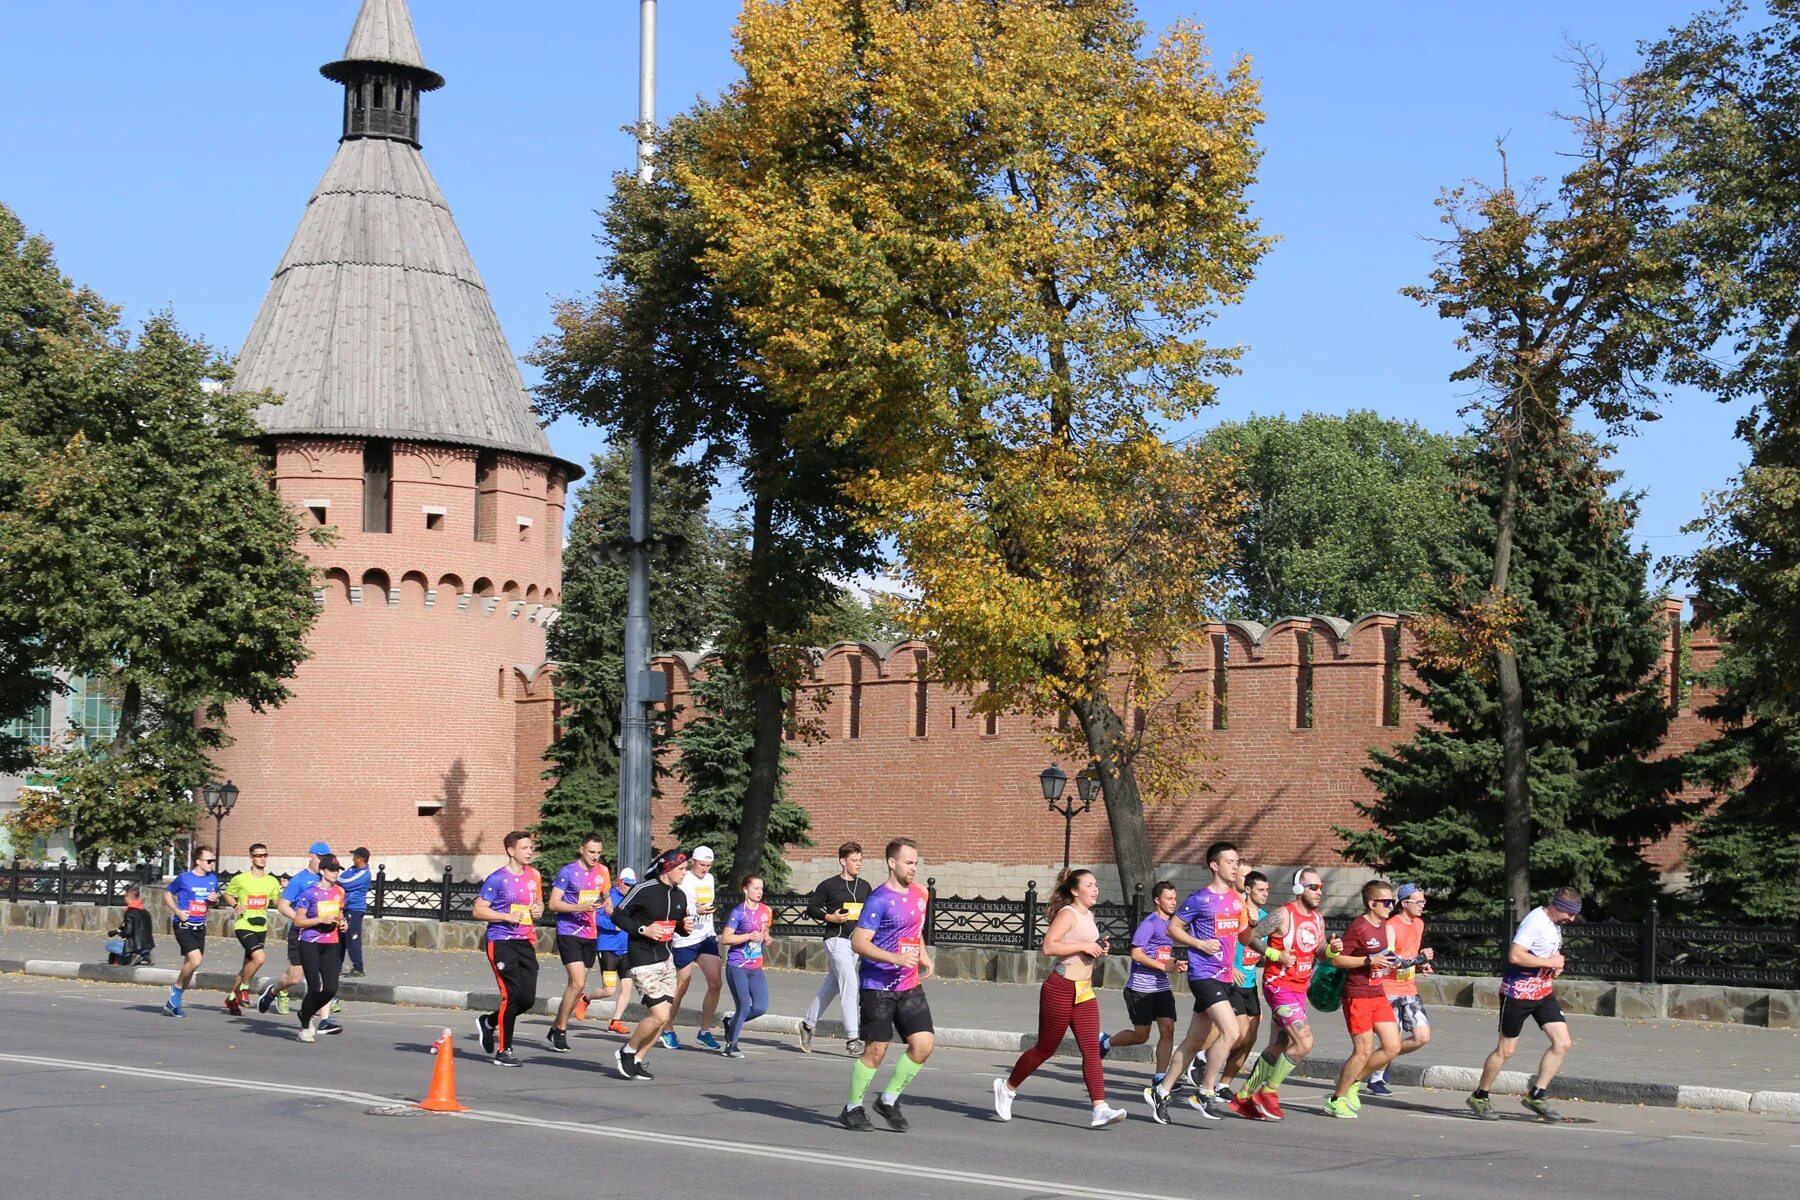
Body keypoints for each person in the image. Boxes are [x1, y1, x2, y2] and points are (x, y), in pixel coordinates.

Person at [993, 869, 1128, 1127]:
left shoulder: (1089, 915)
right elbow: (1049, 946)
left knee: (1090, 1050)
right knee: (1045, 1048)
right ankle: (1007, 1087)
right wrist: (1083, 946)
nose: (1096, 889)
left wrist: (1098, 947)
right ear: (1075, 891)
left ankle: (1100, 1108)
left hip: (1084, 992)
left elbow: (1082, 948)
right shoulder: (1068, 913)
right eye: (1090, 885)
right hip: (1060, 988)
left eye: (1096, 884)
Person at [1144, 841, 1245, 1125]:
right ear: (1215, 865)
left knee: (1194, 1041)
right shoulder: (1200, 899)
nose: (1235, 866)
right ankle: (1205, 1091)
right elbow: (1172, 928)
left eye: (1237, 861)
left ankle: (1161, 1091)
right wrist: (1199, 943)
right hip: (1203, 974)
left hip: (1225, 976)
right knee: (1231, 1031)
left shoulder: (1237, 900)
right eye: (1230, 861)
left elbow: (1243, 935)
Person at [1231, 866, 1342, 1121]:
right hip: (1279, 987)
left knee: (1278, 1046)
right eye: (1313, 887)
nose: (1318, 892)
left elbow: (1320, 951)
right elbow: (1247, 936)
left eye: (1320, 887)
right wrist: (1274, 954)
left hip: (1299, 989)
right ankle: (1268, 1092)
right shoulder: (1283, 915)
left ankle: (1244, 1096)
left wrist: (1333, 949)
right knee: (1304, 1042)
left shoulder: (1317, 919)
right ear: (1298, 888)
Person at [840, 837, 935, 1133]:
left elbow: (913, 928)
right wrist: (894, 957)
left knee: (924, 1045)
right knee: (876, 1050)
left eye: (916, 863)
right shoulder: (878, 899)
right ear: (892, 863)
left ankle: (888, 1100)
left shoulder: (921, 894)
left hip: (909, 984)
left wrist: (924, 954)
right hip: (877, 985)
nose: (914, 868)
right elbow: (858, 942)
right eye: (908, 862)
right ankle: (853, 1108)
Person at [1468, 886, 1582, 1121]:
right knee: (1506, 1050)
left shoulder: (1553, 923)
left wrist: (1555, 964)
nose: (1572, 919)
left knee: (1563, 1043)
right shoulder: (1535, 921)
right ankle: (1480, 1096)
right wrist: (1549, 961)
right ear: (1558, 907)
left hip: (1542, 993)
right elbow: (1515, 955)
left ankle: (1536, 1095)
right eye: (1570, 914)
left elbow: (1546, 953)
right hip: (1517, 993)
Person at [1323, 879, 1404, 1118]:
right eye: (1387, 902)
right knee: (1363, 1051)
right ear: (1372, 903)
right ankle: (1336, 1099)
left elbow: (1382, 958)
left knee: (1392, 1047)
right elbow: (1337, 960)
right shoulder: (1359, 927)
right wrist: (1368, 961)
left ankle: (1355, 1081)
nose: (1391, 906)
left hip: (1377, 993)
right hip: (1357, 995)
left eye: (1393, 901)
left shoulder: (1384, 926)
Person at [613, 849, 694, 1081]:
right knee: (659, 1015)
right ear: (667, 868)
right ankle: (626, 1051)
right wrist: (642, 929)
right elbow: (618, 916)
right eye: (681, 869)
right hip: (642, 960)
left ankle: (637, 1059)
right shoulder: (642, 889)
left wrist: (683, 927)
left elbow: (675, 926)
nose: (684, 873)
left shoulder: (680, 895)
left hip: (666, 960)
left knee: (665, 1017)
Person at [471, 830, 544, 1067]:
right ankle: (505, 1050)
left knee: (527, 999)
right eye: (524, 848)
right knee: (511, 995)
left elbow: (539, 902)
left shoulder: (534, 875)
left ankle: (489, 1022)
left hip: (525, 941)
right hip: (501, 941)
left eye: (530, 847)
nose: (529, 852)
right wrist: (505, 916)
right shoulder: (497, 878)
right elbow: (478, 910)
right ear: (511, 851)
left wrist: (538, 910)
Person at [1101, 881, 1180, 1087]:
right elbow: (1136, 953)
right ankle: (1106, 1042)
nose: (1173, 902)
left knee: (1168, 1028)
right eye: (1169, 898)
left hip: (1161, 987)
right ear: (1157, 900)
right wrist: (1163, 967)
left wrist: (1175, 964)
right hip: (1141, 988)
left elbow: (1161, 954)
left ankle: (1160, 1078)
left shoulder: (1171, 925)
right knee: (1141, 1035)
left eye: (1174, 898)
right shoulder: (1150, 923)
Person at [800, 841, 874, 1055]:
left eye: (860, 860)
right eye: (854, 860)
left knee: (832, 986)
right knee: (850, 984)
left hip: (855, 944)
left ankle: (807, 1024)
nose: (858, 864)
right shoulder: (829, 885)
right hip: (836, 940)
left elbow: (870, 913)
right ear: (843, 861)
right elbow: (812, 907)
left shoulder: (864, 886)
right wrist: (829, 916)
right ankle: (852, 1039)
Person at [546, 834, 612, 1053]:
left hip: (590, 934)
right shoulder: (568, 872)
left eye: (598, 852)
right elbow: (553, 904)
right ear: (581, 849)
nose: (595, 856)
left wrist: (618, 917)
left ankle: (556, 1026)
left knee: (577, 985)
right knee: (577, 983)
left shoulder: (602, 871)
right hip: (569, 932)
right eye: (591, 852)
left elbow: (606, 901)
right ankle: (561, 1031)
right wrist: (579, 908)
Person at [1368, 882, 1434, 1095]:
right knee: (1392, 1040)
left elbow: (1411, 953)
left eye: (1424, 901)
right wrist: (1420, 958)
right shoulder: (1391, 925)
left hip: (1409, 989)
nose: (1423, 905)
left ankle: (1384, 1057)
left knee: (1421, 1036)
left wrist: (1422, 963)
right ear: (1404, 903)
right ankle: (1375, 1078)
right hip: (1389, 989)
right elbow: (1392, 961)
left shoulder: (1419, 923)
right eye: (1419, 901)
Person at [1218, 869, 1271, 1096]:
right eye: (1260, 890)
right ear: (1248, 890)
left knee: (1250, 1039)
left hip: (1251, 983)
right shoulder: (1237, 913)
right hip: (1232, 981)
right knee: (1238, 1033)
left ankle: (1223, 1084)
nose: (1265, 894)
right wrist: (1230, 967)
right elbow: (1221, 940)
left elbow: (1270, 948)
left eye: (1267, 890)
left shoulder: (1268, 919)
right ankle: (1203, 1060)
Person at [260, 841, 328, 1017]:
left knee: (324, 972)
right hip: (300, 932)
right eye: (319, 858)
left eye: (325, 858)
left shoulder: (327, 879)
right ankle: (273, 991)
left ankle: (325, 1017)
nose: (322, 861)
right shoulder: (299, 879)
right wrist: (301, 919)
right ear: (311, 856)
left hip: (321, 934)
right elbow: (283, 906)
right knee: (295, 977)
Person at [670, 845, 724, 1050]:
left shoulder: (709, 879)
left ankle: (704, 1030)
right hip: (685, 937)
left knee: (716, 983)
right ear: (693, 862)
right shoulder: (685, 879)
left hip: (706, 935)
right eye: (702, 865)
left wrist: (705, 911)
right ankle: (667, 1028)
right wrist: (695, 910)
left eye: (709, 866)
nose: (705, 869)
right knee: (682, 984)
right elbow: (677, 906)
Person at [292, 854, 349, 1042]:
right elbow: (298, 921)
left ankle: (305, 1012)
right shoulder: (309, 893)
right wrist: (319, 920)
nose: (335, 874)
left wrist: (343, 923)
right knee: (314, 987)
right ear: (322, 871)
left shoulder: (339, 892)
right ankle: (305, 1026)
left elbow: (340, 914)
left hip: (332, 944)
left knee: (331, 989)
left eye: (337, 871)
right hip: (310, 943)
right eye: (331, 870)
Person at [222, 843, 282, 1014]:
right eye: (258, 855)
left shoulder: (271, 881)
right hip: (243, 925)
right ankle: (244, 989)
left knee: (248, 965)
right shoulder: (241, 879)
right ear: (251, 857)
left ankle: (231, 999)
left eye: (265, 855)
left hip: (260, 926)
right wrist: (235, 905)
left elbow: (276, 902)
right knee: (260, 958)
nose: (262, 858)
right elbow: (227, 893)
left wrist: (285, 892)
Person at [719, 872, 774, 1058]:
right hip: (737, 966)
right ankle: (731, 1046)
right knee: (743, 1006)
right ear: (745, 889)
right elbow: (726, 938)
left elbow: (764, 932)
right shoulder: (738, 912)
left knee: (760, 1007)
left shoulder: (766, 911)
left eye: (761, 888)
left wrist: (766, 938)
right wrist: (748, 936)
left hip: (755, 966)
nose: (760, 892)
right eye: (755, 888)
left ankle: (731, 1022)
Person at [161, 846, 218, 1016]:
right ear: (198, 861)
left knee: (190, 966)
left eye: (213, 861)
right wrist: (178, 912)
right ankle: (176, 989)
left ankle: (173, 1004)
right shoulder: (184, 878)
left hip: (200, 926)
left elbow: (213, 901)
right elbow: (167, 894)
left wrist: (213, 900)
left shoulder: (212, 879)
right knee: (195, 961)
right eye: (208, 861)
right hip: (183, 925)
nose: (211, 864)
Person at [594, 867, 636, 1034]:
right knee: (608, 990)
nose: (630, 888)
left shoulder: (633, 897)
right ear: (620, 882)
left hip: (626, 948)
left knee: (627, 986)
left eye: (633, 885)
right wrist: (614, 925)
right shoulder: (608, 896)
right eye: (628, 885)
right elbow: (596, 918)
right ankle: (585, 998)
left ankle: (615, 1021)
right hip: (608, 947)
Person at [339, 848, 373, 977]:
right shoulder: (352, 869)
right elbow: (342, 877)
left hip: (355, 909)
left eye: (354, 856)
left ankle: (358, 967)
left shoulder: (364, 873)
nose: (353, 859)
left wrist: (337, 881)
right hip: (345, 907)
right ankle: (337, 966)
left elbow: (345, 882)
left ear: (360, 858)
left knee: (353, 938)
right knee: (341, 938)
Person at [107, 883, 155, 965]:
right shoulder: (145, 911)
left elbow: (127, 932)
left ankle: (132, 956)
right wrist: (118, 930)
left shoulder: (130, 912)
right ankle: (145, 954)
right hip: (148, 944)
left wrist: (119, 933)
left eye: (125, 896)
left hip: (135, 946)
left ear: (128, 897)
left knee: (110, 945)